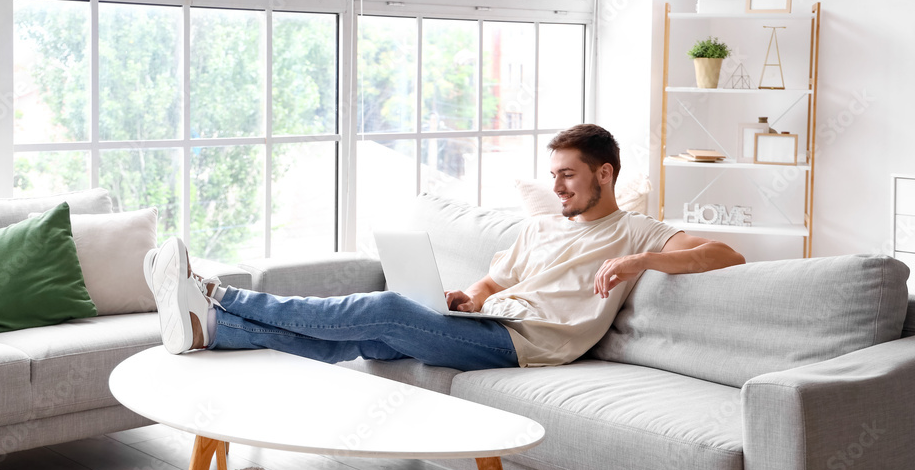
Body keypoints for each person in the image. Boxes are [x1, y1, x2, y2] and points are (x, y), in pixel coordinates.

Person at [145, 124, 745, 371]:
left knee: (383, 309)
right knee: (363, 339)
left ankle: (220, 294)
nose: (557, 186)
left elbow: (726, 256)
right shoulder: (539, 227)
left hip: (526, 344)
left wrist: (642, 260)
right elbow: (493, 282)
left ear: (605, 174)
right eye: (554, 174)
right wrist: (469, 296)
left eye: (568, 175)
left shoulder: (635, 231)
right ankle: (212, 330)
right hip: (487, 322)